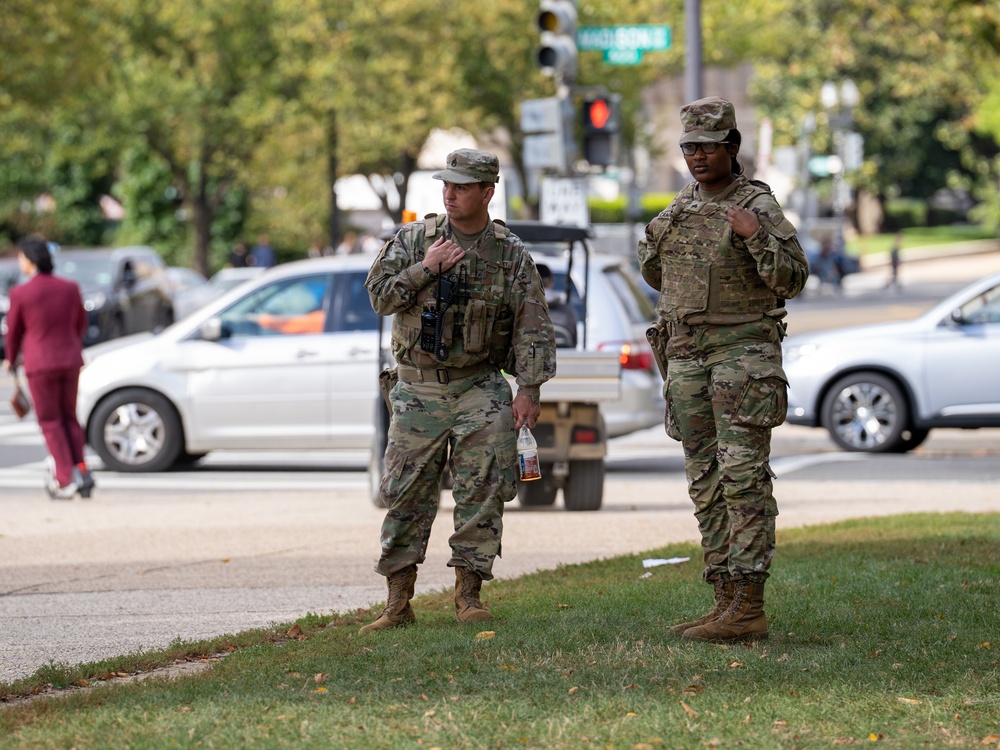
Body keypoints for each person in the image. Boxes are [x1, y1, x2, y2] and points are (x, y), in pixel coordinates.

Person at [362, 148, 556, 634]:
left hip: (480, 386)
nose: (450, 193)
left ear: (487, 191)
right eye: (446, 184)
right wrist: (426, 269)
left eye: (463, 186)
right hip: (418, 388)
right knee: (406, 491)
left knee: (484, 488)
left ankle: (469, 595)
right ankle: (396, 603)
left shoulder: (508, 253)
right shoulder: (413, 240)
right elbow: (378, 296)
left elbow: (532, 323)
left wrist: (528, 387)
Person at [638, 97, 809, 643]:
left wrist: (755, 236)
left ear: (732, 148)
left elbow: (793, 278)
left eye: (708, 147)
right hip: (687, 355)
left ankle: (751, 602)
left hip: (742, 357)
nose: (697, 156)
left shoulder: (757, 203)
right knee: (704, 478)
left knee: (743, 477)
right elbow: (655, 271)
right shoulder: (679, 208)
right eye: (689, 147)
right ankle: (724, 599)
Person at [2, 236, 96, 500]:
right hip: (69, 359)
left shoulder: (21, 292)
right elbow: (80, 323)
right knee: (69, 417)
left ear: (29, 261)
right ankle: (82, 469)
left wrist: (10, 358)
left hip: (39, 362)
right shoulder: (69, 287)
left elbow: (13, 332)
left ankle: (64, 478)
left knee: (50, 421)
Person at [536, 263, 578, 347]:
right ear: (551, 282)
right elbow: (574, 343)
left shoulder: (520, 310)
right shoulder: (568, 312)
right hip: (564, 358)